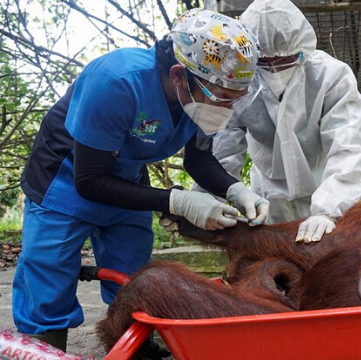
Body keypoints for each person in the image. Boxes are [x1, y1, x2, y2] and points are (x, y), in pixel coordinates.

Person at [13, 8, 268, 352]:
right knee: (48, 269)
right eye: (220, 96)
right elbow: (89, 181)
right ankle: (45, 345)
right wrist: (176, 201)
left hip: (127, 176)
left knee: (133, 269)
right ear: (179, 74)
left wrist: (235, 190)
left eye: (233, 99)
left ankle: (135, 342)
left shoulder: (197, 97)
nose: (225, 107)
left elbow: (198, 158)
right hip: (65, 177)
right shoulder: (117, 82)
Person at [207, 0, 361, 244]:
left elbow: (347, 146)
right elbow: (223, 152)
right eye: (263, 62)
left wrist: (329, 210)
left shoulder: (331, 77)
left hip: (323, 190)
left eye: (284, 61)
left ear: (302, 48)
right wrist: (210, 200)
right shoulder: (240, 84)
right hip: (267, 201)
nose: (274, 69)